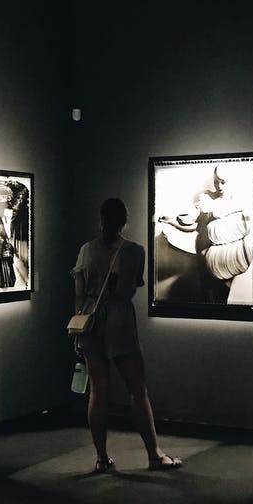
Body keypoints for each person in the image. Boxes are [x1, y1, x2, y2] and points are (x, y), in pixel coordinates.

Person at [72, 198, 182, 473]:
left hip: (92, 321)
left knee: (98, 391)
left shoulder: (87, 250)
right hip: (120, 320)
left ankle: (101, 458)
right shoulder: (136, 252)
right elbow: (132, 285)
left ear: (101, 219)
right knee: (137, 390)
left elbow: (79, 291)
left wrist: (80, 324)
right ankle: (154, 455)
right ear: (125, 221)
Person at [157, 165, 253, 304]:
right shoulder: (207, 200)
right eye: (216, 181)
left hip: (224, 260)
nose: (219, 185)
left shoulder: (237, 204)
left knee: (220, 299)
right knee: (206, 299)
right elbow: (195, 227)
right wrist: (171, 222)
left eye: (223, 182)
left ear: (231, 181)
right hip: (202, 260)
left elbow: (241, 231)